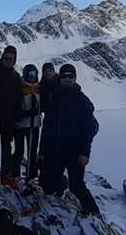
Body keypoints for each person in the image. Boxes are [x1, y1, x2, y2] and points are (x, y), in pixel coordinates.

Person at [38, 63, 101, 216]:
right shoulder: (54, 98)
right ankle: (60, 183)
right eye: (64, 76)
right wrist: (42, 150)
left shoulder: (82, 101)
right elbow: (47, 127)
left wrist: (85, 153)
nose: (67, 79)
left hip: (74, 151)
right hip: (56, 149)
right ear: (60, 78)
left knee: (77, 186)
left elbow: (88, 129)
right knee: (47, 186)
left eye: (70, 76)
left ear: (75, 78)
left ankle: (94, 212)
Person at [0, 45, 23, 186]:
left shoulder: (16, 77)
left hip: (9, 117)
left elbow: (18, 99)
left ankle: (6, 172)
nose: (9, 60)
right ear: (2, 57)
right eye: (6, 57)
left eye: (11, 58)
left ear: (14, 60)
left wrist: (17, 118)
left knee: (7, 146)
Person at [14, 64, 44, 189]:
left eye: (34, 74)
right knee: (19, 151)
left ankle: (31, 176)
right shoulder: (20, 87)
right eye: (30, 74)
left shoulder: (38, 88)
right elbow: (15, 108)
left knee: (32, 152)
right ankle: (14, 174)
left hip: (35, 125)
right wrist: (26, 113)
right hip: (22, 125)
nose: (32, 77)